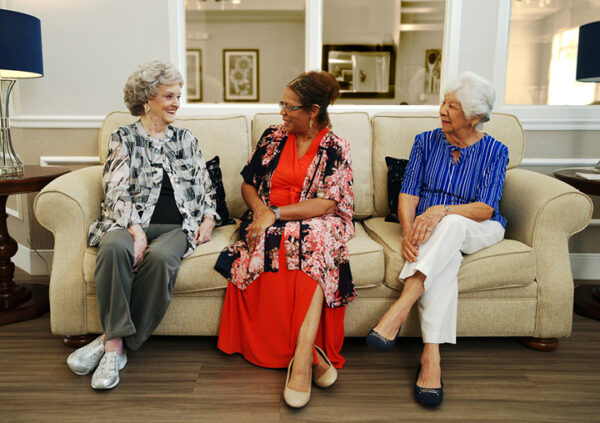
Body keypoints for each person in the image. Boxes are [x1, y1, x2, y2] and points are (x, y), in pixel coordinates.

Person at [66, 60, 219, 390]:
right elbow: (115, 188)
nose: (177, 103)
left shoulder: (186, 140)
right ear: (147, 98)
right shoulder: (124, 137)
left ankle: (111, 341)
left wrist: (207, 219)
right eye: (169, 96)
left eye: (179, 96)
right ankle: (115, 349)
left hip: (177, 225)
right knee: (112, 247)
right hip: (128, 220)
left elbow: (206, 187)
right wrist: (134, 231)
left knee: (163, 258)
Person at [366, 71, 509, 408]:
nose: (443, 109)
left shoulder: (495, 151)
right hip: (429, 232)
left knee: (454, 224)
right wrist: (407, 231)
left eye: (453, 106)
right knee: (446, 258)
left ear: (475, 117)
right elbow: (409, 193)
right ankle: (431, 357)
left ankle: (401, 307)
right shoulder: (426, 141)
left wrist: (442, 210)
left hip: (479, 226)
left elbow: (486, 208)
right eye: (444, 102)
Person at [215, 71, 355, 408]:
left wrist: (274, 215)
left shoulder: (336, 148)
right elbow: (247, 183)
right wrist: (262, 210)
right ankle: (308, 356)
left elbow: (327, 203)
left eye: (289, 106)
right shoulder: (272, 137)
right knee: (274, 239)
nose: (281, 111)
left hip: (318, 219)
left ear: (312, 111)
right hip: (270, 215)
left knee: (311, 239)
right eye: (282, 104)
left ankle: (302, 358)